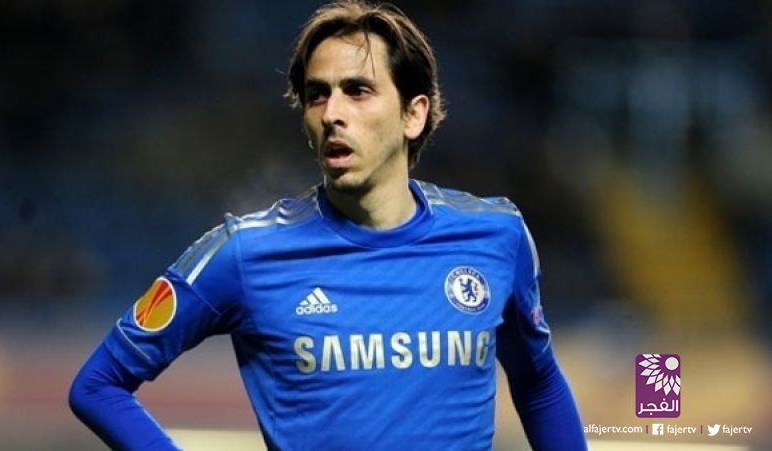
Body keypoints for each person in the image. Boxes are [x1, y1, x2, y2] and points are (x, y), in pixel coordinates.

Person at [68, 1, 587, 450]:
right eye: (318, 94)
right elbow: (98, 386)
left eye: (357, 90)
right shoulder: (244, 253)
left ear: (413, 114)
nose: (332, 112)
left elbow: (538, 381)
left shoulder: (496, 236)